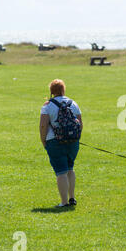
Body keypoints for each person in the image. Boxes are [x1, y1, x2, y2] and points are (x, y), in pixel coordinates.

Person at [39, 79, 83, 207]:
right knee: (70, 169)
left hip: (55, 141)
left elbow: (43, 126)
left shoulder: (47, 106)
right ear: (64, 89)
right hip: (73, 142)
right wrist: (75, 138)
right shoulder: (73, 103)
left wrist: (44, 141)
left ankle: (63, 202)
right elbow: (80, 124)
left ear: (51, 91)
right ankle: (72, 198)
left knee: (61, 172)